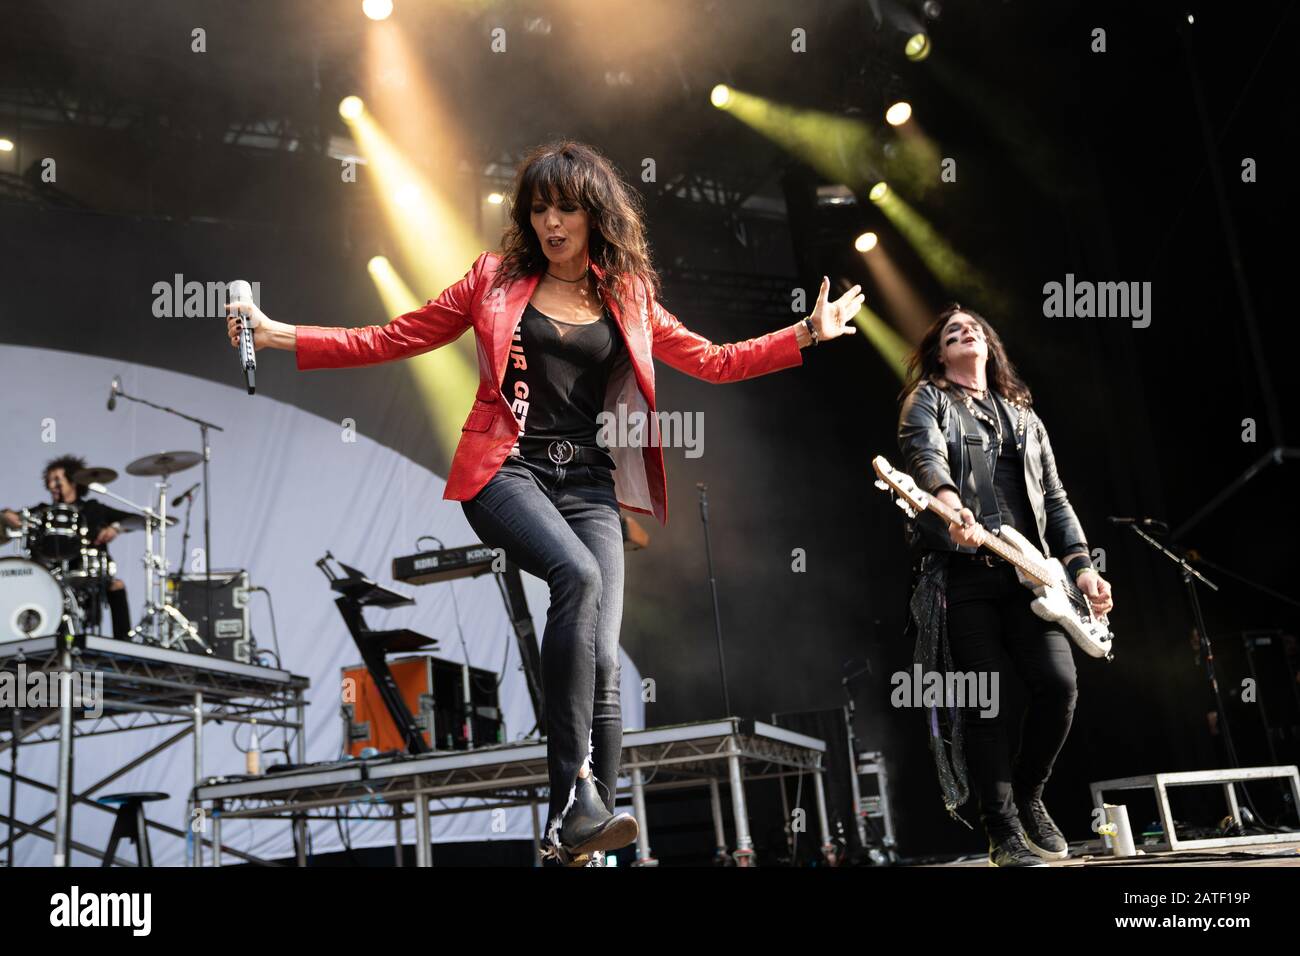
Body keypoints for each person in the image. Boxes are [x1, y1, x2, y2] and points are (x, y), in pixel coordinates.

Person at [226, 140, 863, 865]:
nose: (551, 222)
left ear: (595, 214)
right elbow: (393, 336)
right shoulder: (493, 280)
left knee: (605, 664)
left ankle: (583, 839)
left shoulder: (627, 296)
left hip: (589, 484)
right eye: (538, 208)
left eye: (565, 208)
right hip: (506, 470)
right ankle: (573, 803)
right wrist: (278, 334)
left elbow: (713, 362)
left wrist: (807, 332)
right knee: (579, 578)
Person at [897, 304, 1114, 867]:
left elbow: (1057, 498)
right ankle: (1002, 830)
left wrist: (1083, 566)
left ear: (989, 346)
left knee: (1060, 685)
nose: (965, 331)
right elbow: (926, 457)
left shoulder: (1024, 416)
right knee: (984, 704)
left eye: (974, 328)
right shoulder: (928, 400)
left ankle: (1029, 792)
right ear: (941, 354)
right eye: (951, 331)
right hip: (965, 575)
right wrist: (950, 508)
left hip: (1033, 575)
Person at [2, 455, 132, 639]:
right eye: (48, 480)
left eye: (57, 480)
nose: (51, 485)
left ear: (74, 482)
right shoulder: (42, 511)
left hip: (86, 573)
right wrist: (6, 515)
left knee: (116, 585)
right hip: (48, 575)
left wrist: (115, 527)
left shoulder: (93, 509)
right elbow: (12, 520)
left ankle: (123, 644)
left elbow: (133, 520)